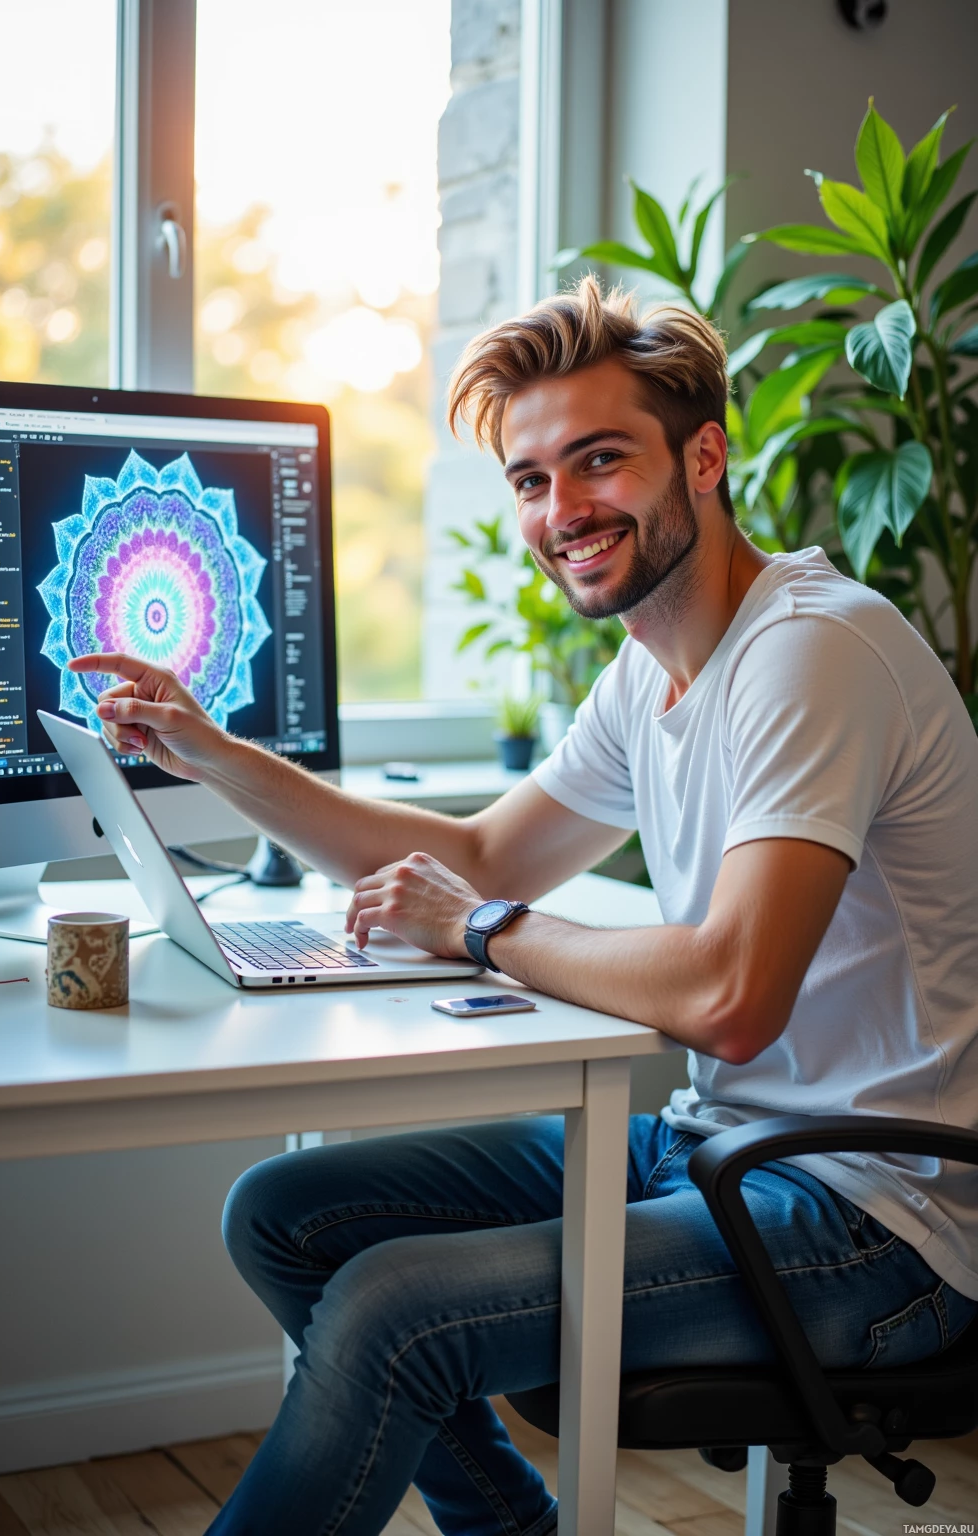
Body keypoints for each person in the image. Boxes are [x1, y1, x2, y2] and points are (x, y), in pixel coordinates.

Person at [71, 276, 978, 1536]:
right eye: (532, 479)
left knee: (397, 1309)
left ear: (704, 457)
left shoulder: (812, 650)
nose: (563, 512)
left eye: (599, 463)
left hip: (873, 1220)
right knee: (286, 1215)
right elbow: (486, 849)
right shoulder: (654, 668)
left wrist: (480, 929)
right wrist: (212, 751)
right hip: (727, 1152)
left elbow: (729, 997)